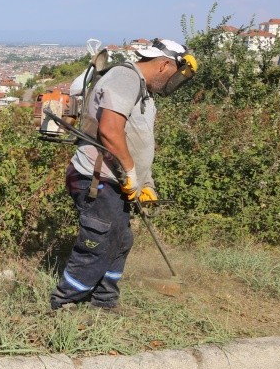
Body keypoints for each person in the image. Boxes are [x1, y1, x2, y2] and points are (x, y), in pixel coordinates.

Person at [50, 39, 197, 311]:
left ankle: (104, 301)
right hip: (97, 177)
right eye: (174, 75)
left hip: (116, 179)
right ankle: (64, 302)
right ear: (164, 64)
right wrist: (130, 173)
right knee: (98, 241)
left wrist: (145, 182)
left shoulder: (144, 92)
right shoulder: (125, 78)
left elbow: (138, 142)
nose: (173, 83)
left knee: (121, 240)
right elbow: (110, 131)